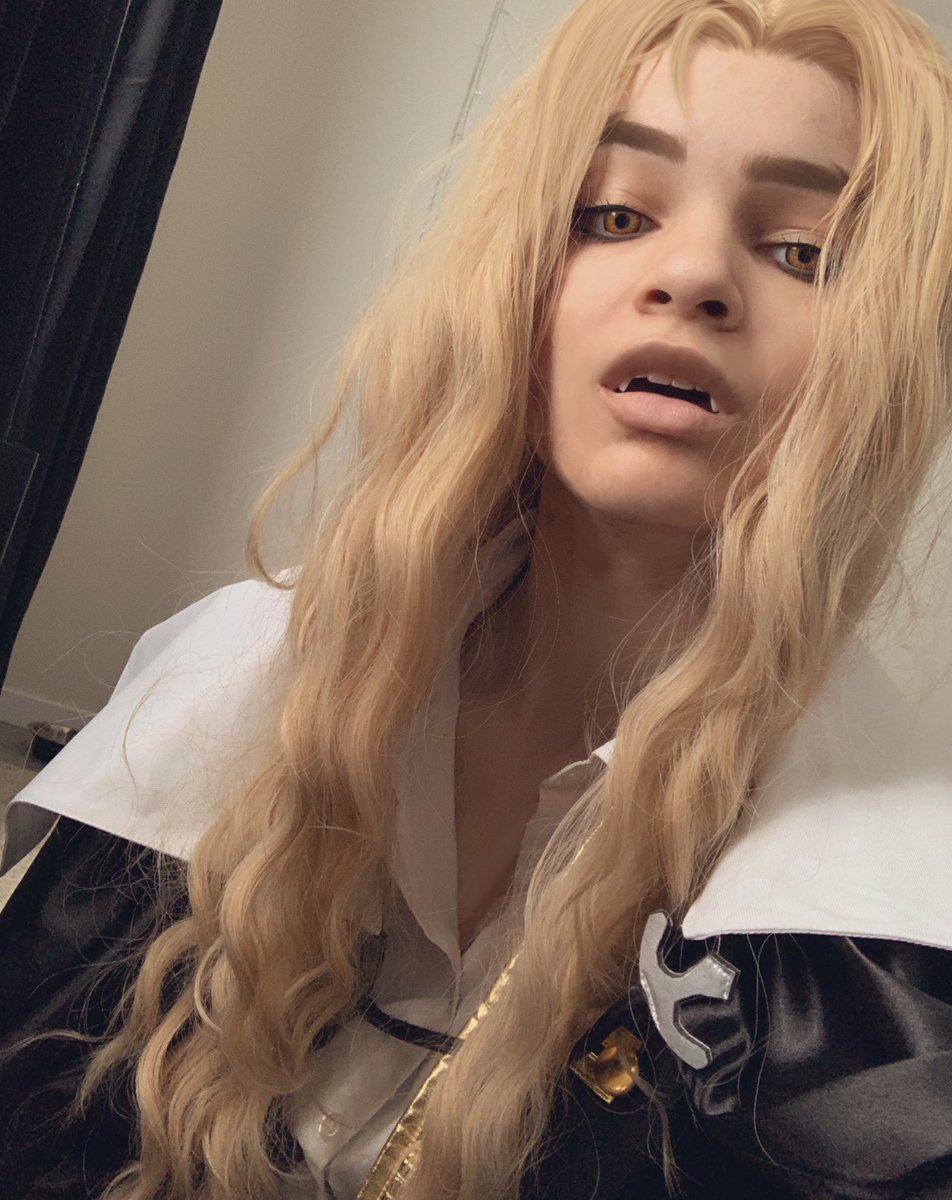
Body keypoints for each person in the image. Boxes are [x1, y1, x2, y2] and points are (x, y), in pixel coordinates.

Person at [1, 0, 951, 1196]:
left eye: (804, 250)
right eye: (613, 214)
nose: (694, 274)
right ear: (514, 276)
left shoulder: (878, 960)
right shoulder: (228, 687)